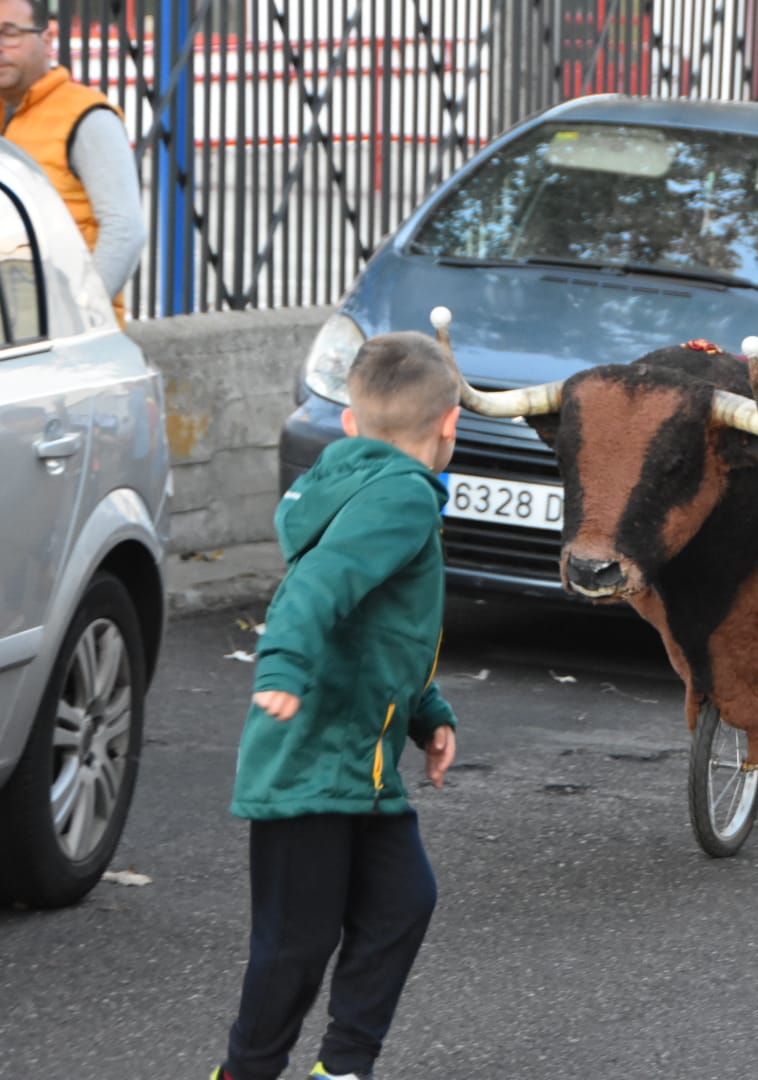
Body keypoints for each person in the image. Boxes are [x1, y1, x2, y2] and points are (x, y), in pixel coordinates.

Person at [214, 331, 462, 1080]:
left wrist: (429, 712)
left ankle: (343, 1067)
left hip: (362, 756)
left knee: (403, 902)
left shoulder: (358, 482)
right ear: (451, 425)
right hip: (313, 758)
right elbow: (320, 585)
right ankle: (245, 1072)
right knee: (296, 943)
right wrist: (282, 663)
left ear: (352, 424)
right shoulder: (402, 498)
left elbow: (384, 633)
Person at [0, 0, 144, 322]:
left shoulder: (87, 118)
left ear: (46, 41)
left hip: (69, 344)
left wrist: (79, 318)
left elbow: (125, 229)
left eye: (9, 33)